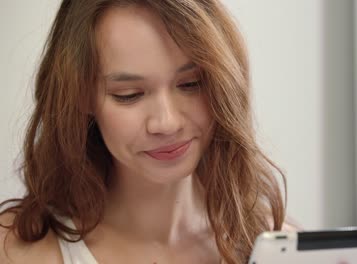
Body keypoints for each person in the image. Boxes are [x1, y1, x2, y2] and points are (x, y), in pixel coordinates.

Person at [0, 0, 296, 263]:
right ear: (81, 96)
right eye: (129, 94)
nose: (166, 122)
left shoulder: (276, 245)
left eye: (190, 84)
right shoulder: (17, 250)